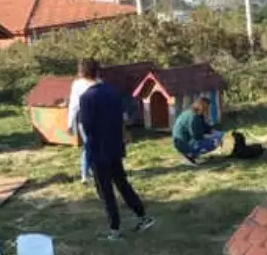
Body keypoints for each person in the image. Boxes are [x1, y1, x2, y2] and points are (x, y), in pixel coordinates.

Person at [77, 58, 155, 240]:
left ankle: (115, 229)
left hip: (98, 149)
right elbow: (123, 118)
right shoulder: (112, 91)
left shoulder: (86, 97)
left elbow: (87, 126)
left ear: (81, 74)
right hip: (115, 145)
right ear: (98, 72)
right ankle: (143, 217)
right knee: (122, 183)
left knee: (105, 191)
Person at [67, 65, 97, 184]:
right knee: (90, 146)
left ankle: (88, 173)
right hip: (89, 118)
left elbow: (73, 105)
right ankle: (86, 174)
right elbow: (74, 105)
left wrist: (69, 124)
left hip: (85, 119)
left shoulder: (78, 84)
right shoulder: (96, 83)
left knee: (89, 146)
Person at [172, 98, 224, 164]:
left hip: (183, 141)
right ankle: (190, 154)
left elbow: (205, 127)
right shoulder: (193, 118)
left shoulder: (196, 114)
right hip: (184, 143)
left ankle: (192, 154)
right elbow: (197, 136)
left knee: (219, 135)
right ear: (201, 107)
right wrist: (211, 137)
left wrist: (213, 132)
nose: (207, 110)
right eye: (206, 108)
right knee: (216, 141)